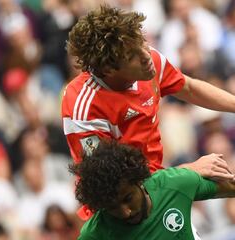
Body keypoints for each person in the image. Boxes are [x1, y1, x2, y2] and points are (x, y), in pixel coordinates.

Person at [61, 5, 235, 219]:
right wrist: (188, 171)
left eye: (142, 42)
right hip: (122, 211)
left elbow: (189, 88)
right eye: (132, 55)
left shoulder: (149, 62)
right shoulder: (83, 108)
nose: (147, 55)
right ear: (108, 69)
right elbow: (114, 186)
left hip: (159, 185)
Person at [69, 140, 235, 239]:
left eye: (128, 198)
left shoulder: (175, 183)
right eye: (112, 207)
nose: (125, 212)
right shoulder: (96, 233)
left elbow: (230, 188)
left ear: (139, 181)